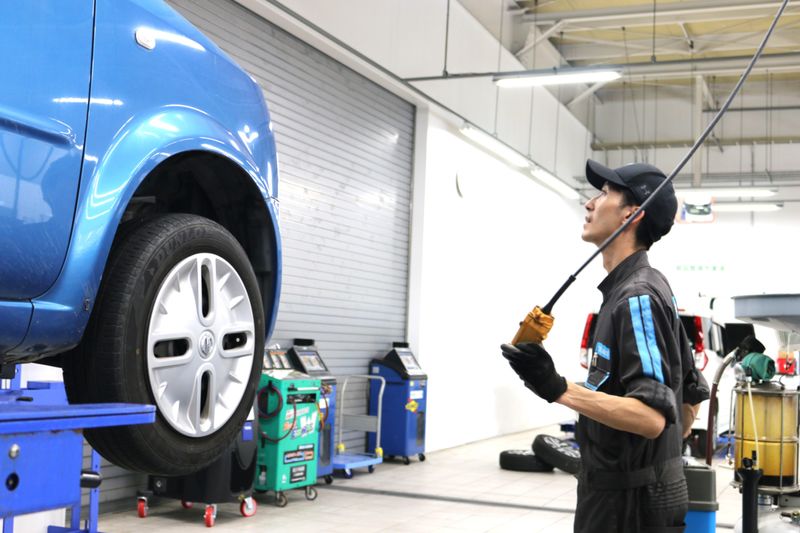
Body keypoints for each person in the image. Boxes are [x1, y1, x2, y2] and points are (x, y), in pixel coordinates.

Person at [501, 160, 709, 533]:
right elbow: (690, 396)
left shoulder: (637, 297)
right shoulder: (644, 288)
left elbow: (650, 418)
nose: (590, 203)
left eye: (605, 193)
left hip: (628, 510)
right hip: (633, 497)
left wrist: (558, 388)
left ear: (632, 213)